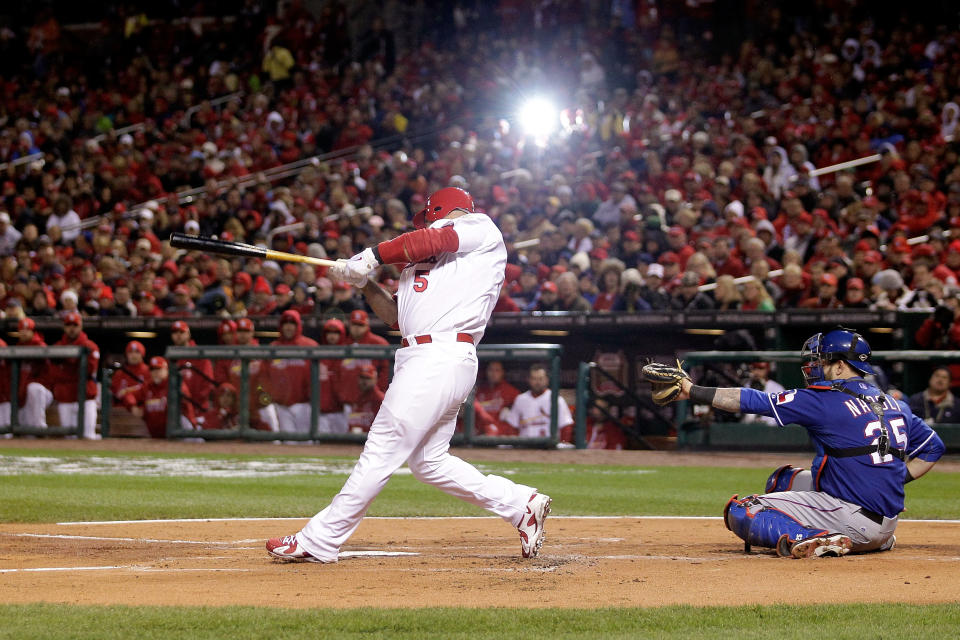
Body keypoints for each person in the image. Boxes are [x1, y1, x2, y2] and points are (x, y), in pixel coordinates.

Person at [266, 186, 551, 563]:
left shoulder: (480, 229)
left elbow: (435, 236)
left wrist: (370, 257)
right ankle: (520, 504)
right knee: (429, 461)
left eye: (430, 216)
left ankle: (319, 538)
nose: (428, 223)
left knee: (382, 446)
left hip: (442, 354)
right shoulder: (424, 265)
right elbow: (396, 317)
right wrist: (363, 283)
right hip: (422, 357)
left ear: (442, 210)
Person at [667, 327, 944, 558]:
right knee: (783, 479)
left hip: (853, 520)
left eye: (821, 360)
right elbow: (934, 447)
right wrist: (892, 483)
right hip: (885, 526)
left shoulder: (823, 398)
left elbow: (752, 400)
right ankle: (851, 537)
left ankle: (818, 538)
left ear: (839, 365)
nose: (814, 365)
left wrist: (692, 391)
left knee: (743, 510)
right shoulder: (895, 402)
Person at [21, 311, 101, 439]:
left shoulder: (90, 346)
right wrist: (71, 366)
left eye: (75, 325)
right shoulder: (58, 347)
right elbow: (55, 374)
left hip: (86, 398)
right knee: (70, 439)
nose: (72, 329)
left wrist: (67, 362)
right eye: (69, 325)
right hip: (65, 398)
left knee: (87, 437)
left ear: (80, 327)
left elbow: (89, 370)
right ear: (64, 327)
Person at [265, 309, 318, 434]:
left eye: (292, 324)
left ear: (298, 326)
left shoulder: (310, 346)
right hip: (281, 406)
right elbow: (265, 376)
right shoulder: (273, 347)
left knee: (307, 443)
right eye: (285, 324)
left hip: (304, 405)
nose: (288, 327)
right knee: (288, 446)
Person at [125, 357, 197, 439]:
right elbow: (129, 395)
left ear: (166, 370)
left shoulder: (174, 385)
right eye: (152, 369)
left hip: (180, 433)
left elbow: (187, 407)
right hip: (157, 435)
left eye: (158, 369)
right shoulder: (148, 386)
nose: (155, 372)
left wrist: (193, 423)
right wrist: (132, 407)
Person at [504, 363, 575, 440]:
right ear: (529, 380)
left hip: (548, 447)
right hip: (525, 447)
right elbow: (512, 427)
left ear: (547, 380)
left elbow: (566, 426)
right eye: (534, 379)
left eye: (541, 379)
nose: (537, 382)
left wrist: (561, 445)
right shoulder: (520, 399)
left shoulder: (556, 399)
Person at [170, 320, 214, 412]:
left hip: (199, 408)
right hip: (178, 410)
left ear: (188, 334)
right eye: (175, 332)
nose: (178, 335)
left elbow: (208, 384)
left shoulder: (200, 356)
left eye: (181, 332)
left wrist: (194, 404)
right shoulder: (171, 357)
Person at [474, 360, 520, 436]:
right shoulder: (479, 392)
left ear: (502, 373)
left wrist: (510, 409)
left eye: (497, 370)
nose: (493, 373)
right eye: (491, 370)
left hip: (503, 436)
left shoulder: (511, 391)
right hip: (482, 434)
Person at [739, 362, 785, 426]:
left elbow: (782, 414)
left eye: (761, 368)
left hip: (771, 429)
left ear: (767, 369)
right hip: (746, 428)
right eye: (754, 368)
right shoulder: (746, 385)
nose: (757, 372)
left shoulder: (777, 388)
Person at [110, 340, 149, 414]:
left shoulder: (149, 371)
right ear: (126, 354)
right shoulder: (119, 373)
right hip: (121, 413)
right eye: (130, 352)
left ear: (142, 354)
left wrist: (128, 391)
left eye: (137, 352)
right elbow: (115, 395)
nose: (133, 355)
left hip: (141, 412)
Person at [347, 365, 385, 433]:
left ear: (375, 379)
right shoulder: (357, 397)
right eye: (362, 378)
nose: (364, 381)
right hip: (354, 441)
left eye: (368, 378)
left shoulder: (380, 399)